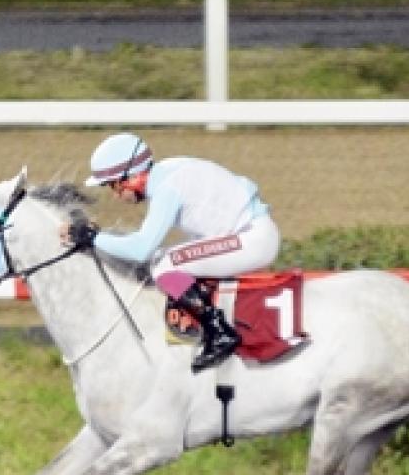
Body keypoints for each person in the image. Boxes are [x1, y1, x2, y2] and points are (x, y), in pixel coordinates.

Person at [63, 131, 280, 373]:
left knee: (165, 266)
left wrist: (93, 238)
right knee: (161, 260)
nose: (116, 195)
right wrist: (100, 238)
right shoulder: (167, 172)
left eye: (114, 185)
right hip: (247, 233)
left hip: (252, 239)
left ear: (132, 175)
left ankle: (219, 332)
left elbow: (140, 249)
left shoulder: (166, 188)